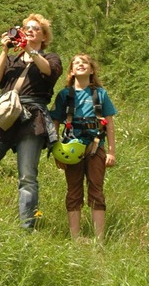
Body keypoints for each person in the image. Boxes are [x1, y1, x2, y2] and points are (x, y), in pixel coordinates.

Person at [0, 14, 62, 229]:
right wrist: (5, 51)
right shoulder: (13, 59)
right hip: (5, 116)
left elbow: (48, 71)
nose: (29, 30)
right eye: (26, 27)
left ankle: (26, 229)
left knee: (27, 177)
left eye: (35, 28)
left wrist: (29, 49)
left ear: (44, 36)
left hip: (32, 118)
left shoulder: (52, 58)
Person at [50, 52, 117, 241]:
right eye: (76, 63)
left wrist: (111, 152)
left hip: (96, 147)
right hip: (71, 149)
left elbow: (110, 124)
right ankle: (75, 238)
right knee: (73, 191)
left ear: (92, 69)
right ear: (71, 71)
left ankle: (99, 239)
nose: (80, 65)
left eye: (84, 63)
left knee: (96, 189)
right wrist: (57, 151)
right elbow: (55, 123)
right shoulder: (65, 95)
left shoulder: (100, 94)